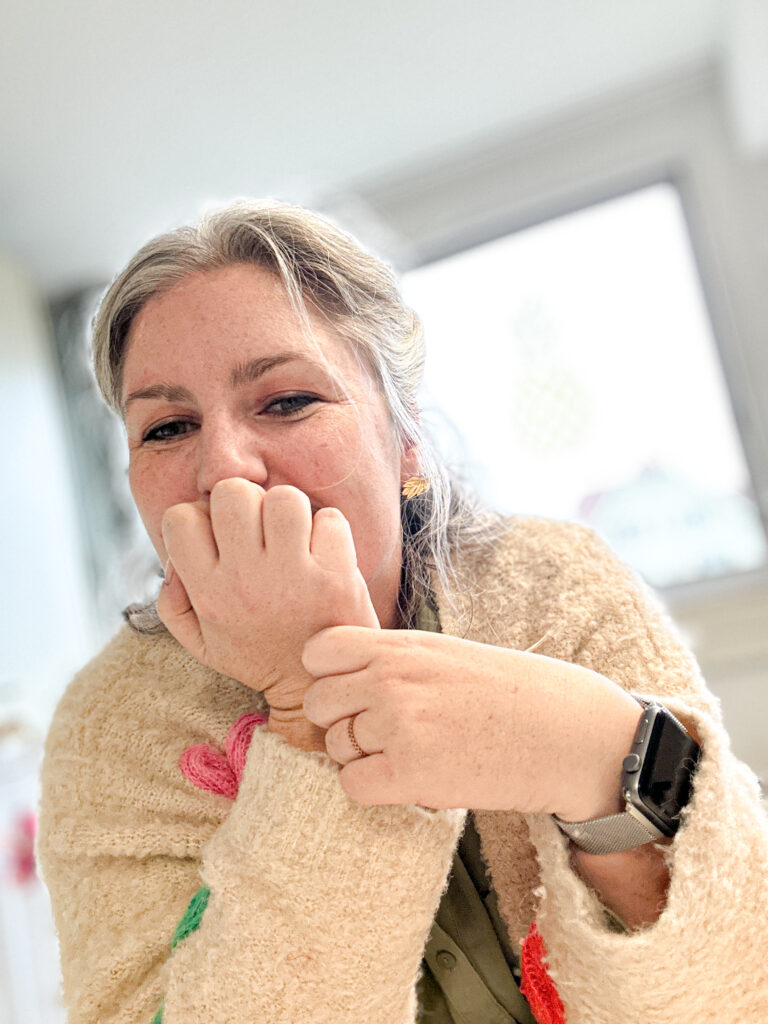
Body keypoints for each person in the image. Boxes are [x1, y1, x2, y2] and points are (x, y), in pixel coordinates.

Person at [38, 200, 768, 1024]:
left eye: (286, 402)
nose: (227, 471)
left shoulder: (555, 586)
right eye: (168, 426)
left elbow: (747, 981)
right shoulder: (114, 729)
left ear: (407, 438)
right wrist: (304, 706)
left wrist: (604, 757)